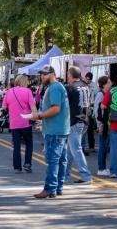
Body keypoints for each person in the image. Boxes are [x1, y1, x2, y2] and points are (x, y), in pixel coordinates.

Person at [30, 65, 70, 198]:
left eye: (45, 74)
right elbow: (57, 110)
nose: (42, 76)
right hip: (60, 128)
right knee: (60, 160)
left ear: (53, 74)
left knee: (53, 160)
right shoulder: (57, 87)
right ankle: (57, 187)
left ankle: (50, 189)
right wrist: (43, 120)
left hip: (55, 131)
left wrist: (40, 116)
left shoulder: (54, 88)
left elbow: (56, 109)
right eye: (41, 74)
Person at [3, 74, 37, 173]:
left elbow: (4, 107)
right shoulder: (28, 91)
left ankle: (17, 167)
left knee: (16, 145)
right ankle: (27, 163)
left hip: (14, 123)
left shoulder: (9, 92)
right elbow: (33, 107)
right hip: (26, 122)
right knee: (28, 143)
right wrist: (35, 116)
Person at [64, 67, 93, 184]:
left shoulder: (70, 87)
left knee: (75, 149)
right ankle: (64, 175)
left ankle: (86, 176)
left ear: (70, 75)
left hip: (74, 121)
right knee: (70, 150)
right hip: (84, 120)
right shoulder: (85, 86)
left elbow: (64, 105)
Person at [95, 76, 112, 176]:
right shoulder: (100, 94)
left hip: (106, 124)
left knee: (105, 147)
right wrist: (99, 125)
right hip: (103, 124)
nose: (111, 83)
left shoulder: (107, 94)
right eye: (109, 82)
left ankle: (103, 168)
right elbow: (97, 111)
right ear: (104, 84)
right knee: (102, 147)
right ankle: (101, 168)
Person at [83, 72, 97, 153]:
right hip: (84, 108)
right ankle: (83, 146)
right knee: (83, 128)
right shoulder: (82, 84)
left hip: (90, 108)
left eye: (89, 79)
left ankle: (91, 146)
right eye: (86, 78)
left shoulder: (94, 86)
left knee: (90, 128)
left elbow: (97, 95)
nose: (87, 80)